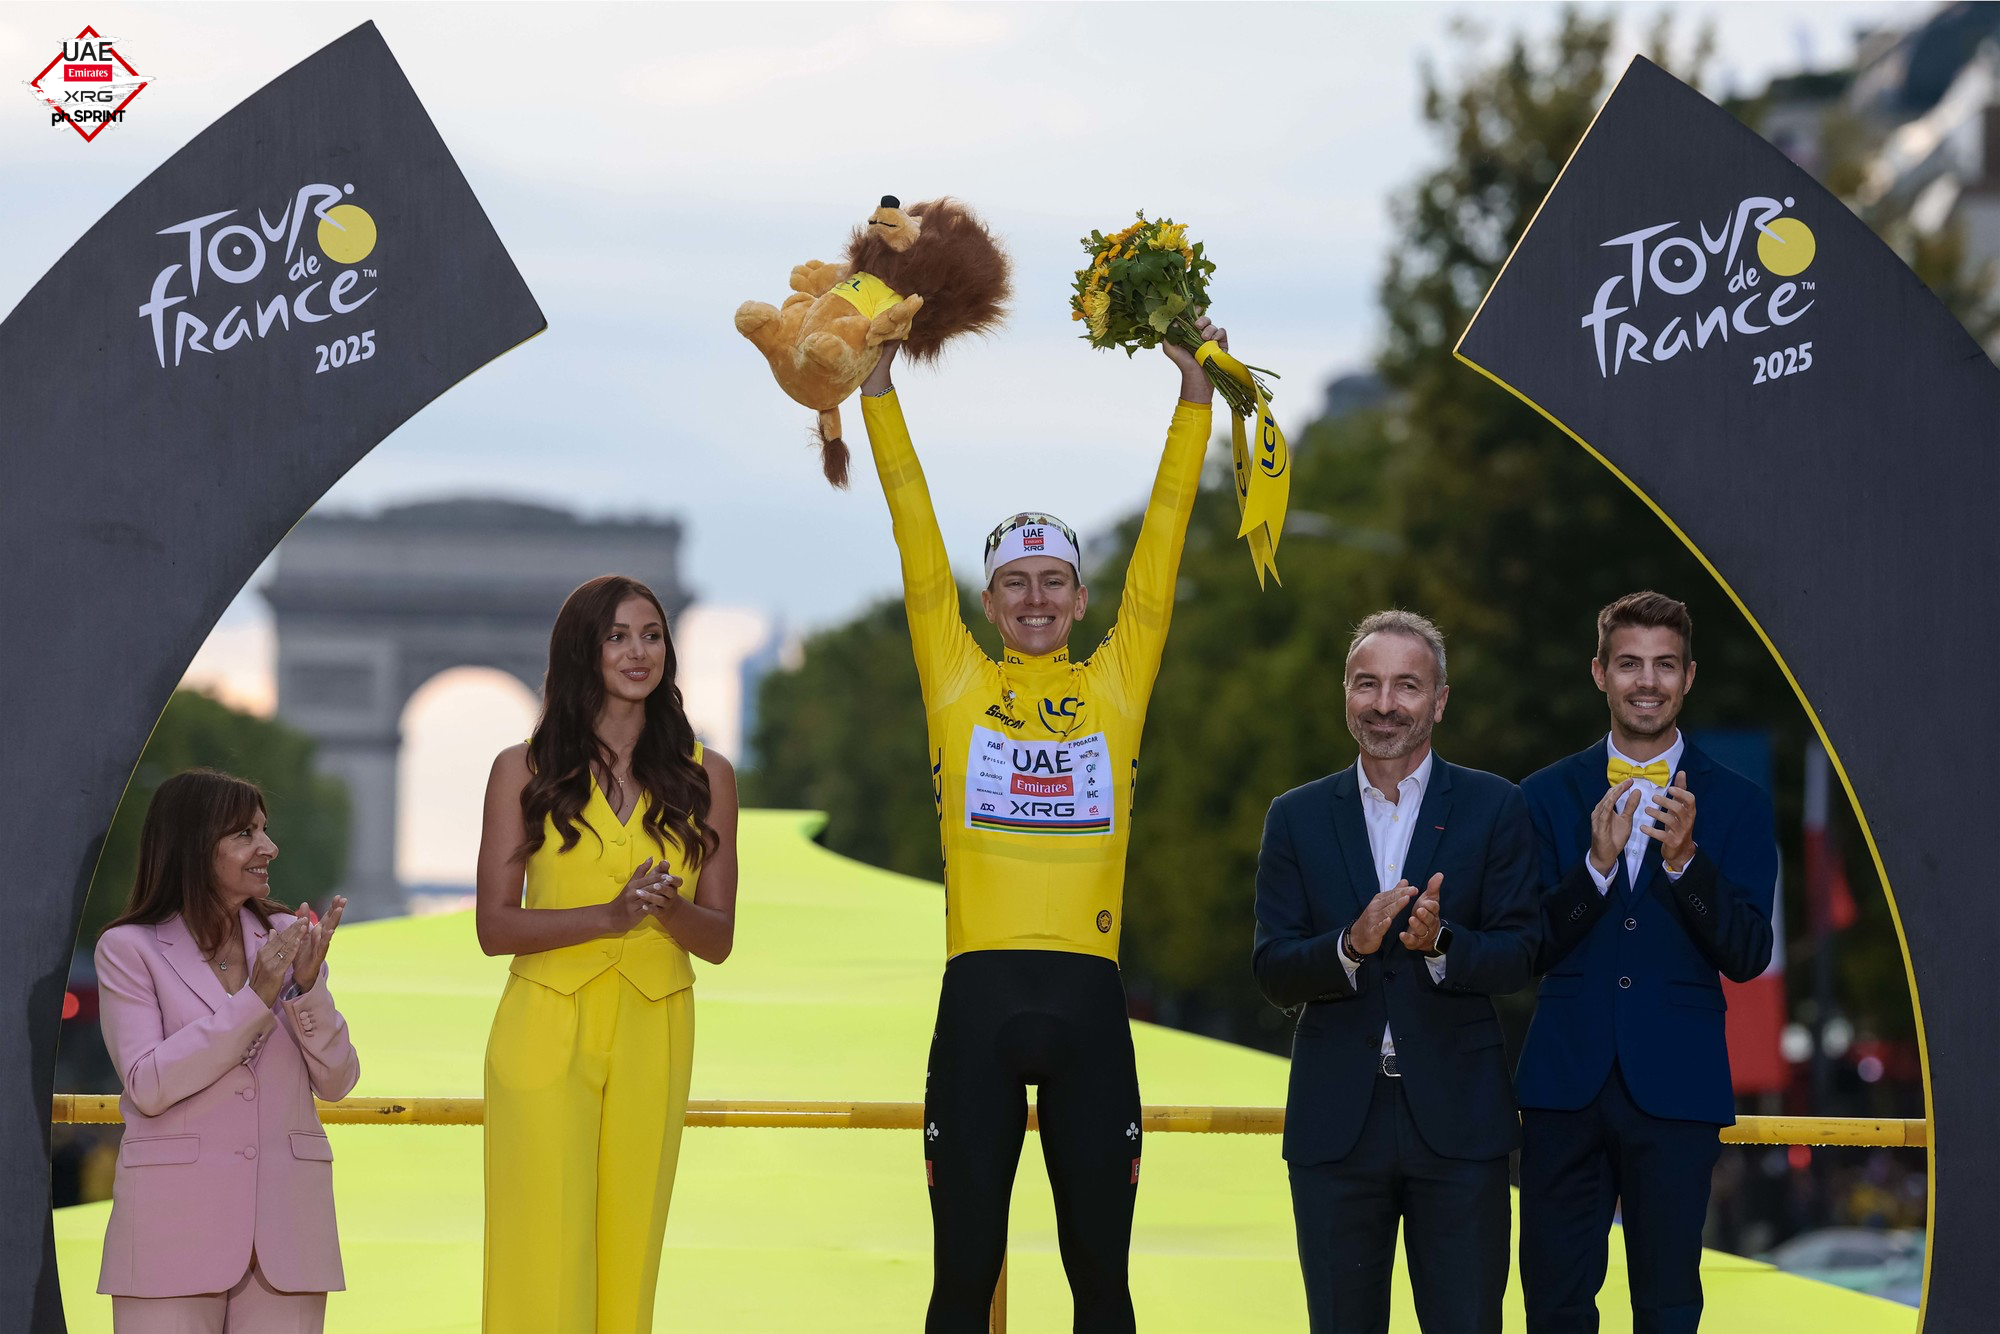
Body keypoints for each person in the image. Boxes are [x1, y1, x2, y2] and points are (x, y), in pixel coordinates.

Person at [856, 315, 1223, 1332]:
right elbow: (914, 536)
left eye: (1051, 580)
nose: (1032, 598)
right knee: (960, 1283)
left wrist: (1194, 401)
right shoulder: (957, 680)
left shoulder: (1115, 683)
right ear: (988, 600)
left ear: (1079, 598)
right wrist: (877, 391)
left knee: (1102, 1286)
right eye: (1013, 583)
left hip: (1089, 1007)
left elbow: (1161, 548)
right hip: (977, 1003)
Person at [1252, 610, 1538, 1334]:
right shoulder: (1294, 816)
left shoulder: (1495, 806)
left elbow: (1521, 953)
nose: (1385, 703)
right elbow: (1273, 968)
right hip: (1335, 1128)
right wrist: (1349, 945)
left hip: (1461, 1123)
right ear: (1344, 695)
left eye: (1407, 685)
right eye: (1367, 684)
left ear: (1439, 701)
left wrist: (1441, 943)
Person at [476, 574, 739, 1333]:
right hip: (543, 1025)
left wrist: (670, 911)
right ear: (580, 651)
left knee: (631, 1253)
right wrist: (610, 915)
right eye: (617, 636)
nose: (637, 652)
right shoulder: (521, 769)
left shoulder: (708, 775)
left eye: (652, 635)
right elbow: (494, 927)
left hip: (657, 1026)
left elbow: (719, 939)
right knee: (540, 1251)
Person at [1515, 591, 1776, 1333]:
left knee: (1668, 1308)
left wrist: (1688, 863)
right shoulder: (1540, 796)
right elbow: (1524, 947)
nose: (1647, 681)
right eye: (1630, 663)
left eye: (1665, 664)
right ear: (1600, 673)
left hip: (1679, 1086)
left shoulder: (1740, 803)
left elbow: (1748, 954)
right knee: (1554, 1305)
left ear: (1688, 677)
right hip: (1564, 1085)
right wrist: (1594, 872)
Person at [94, 768, 357, 1332]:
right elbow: (149, 1085)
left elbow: (338, 1081)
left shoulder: (288, 937)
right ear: (193, 845)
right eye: (245, 833)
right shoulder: (128, 949)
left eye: (264, 829)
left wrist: (305, 989)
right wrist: (256, 998)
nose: (270, 847)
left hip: (288, 1237)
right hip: (170, 1233)